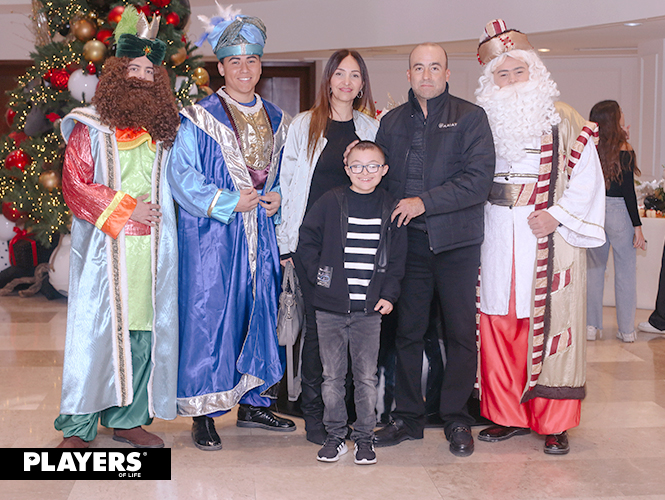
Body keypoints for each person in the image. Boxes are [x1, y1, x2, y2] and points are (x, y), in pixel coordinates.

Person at [474, 19, 606, 455]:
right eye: (502, 73)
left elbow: (588, 178)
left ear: (535, 71)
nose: (512, 80)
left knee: (548, 324)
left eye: (519, 70)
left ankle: (553, 422)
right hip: (494, 232)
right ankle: (507, 414)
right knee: (500, 319)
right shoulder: (479, 121)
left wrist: (556, 215)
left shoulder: (564, 118)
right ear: (490, 80)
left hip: (547, 235)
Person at [167, 7, 294, 451]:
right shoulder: (198, 117)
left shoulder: (278, 119)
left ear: (260, 65)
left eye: (251, 60)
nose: (244, 69)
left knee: (259, 312)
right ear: (220, 67)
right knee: (211, 317)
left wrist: (278, 197)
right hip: (212, 237)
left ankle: (254, 402)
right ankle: (204, 412)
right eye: (234, 61)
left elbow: (285, 175)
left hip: (261, 234)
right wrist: (226, 201)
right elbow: (181, 176)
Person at [54, 10, 180, 448]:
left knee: (141, 335)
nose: (142, 77)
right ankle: (78, 427)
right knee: (95, 337)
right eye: (135, 68)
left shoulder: (164, 131)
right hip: (105, 251)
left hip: (153, 253)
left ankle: (127, 419)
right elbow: (75, 185)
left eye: (150, 71)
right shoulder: (89, 127)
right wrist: (128, 209)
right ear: (117, 73)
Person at [372, 42, 495, 457]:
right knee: (407, 332)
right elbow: (382, 183)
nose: (427, 75)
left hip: (457, 243)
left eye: (435, 67)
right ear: (408, 75)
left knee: (459, 333)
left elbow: (478, 181)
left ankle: (456, 417)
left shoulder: (471, 117)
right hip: (409, 243)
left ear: (447, 73)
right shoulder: (391, 122)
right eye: (419, 68)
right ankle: (407, 417)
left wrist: (423, 202)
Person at [277, 49, 378, 445]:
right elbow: (288, 184)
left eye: (354, 75)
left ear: (362, 83)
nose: (346, 82)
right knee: (319, 333)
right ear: (329, 80)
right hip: (314, 246)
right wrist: (286, 242)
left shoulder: (371, 128)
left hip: (358, 243)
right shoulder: (304, 125)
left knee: (357, 331)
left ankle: (348, 414)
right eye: (339, 74)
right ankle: (315, 414)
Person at [297, 140, 406, 464]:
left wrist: (389, 294)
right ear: (347, 169)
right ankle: (335, 435)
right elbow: (307, 240)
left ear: (384, 170)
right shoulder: (331, 201)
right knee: (332, 377)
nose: (364, 172)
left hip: (369, 312)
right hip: (330, 309)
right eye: (357, 166)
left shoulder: (391, 207)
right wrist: (322, 279)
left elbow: (397, 259)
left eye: (372, 166)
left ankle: (364, 438)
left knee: (365, 378)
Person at [587, 100, 646, 343]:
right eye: (620, 112)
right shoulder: (625, 148)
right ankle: (626, 330)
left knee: (594, 270)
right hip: (620, 212)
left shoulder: (590, 146)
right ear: (614, 118)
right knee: (625, 272)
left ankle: (591, 326)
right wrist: (637, 227)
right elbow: (629, 192)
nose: (623, 114)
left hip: (596, 212)